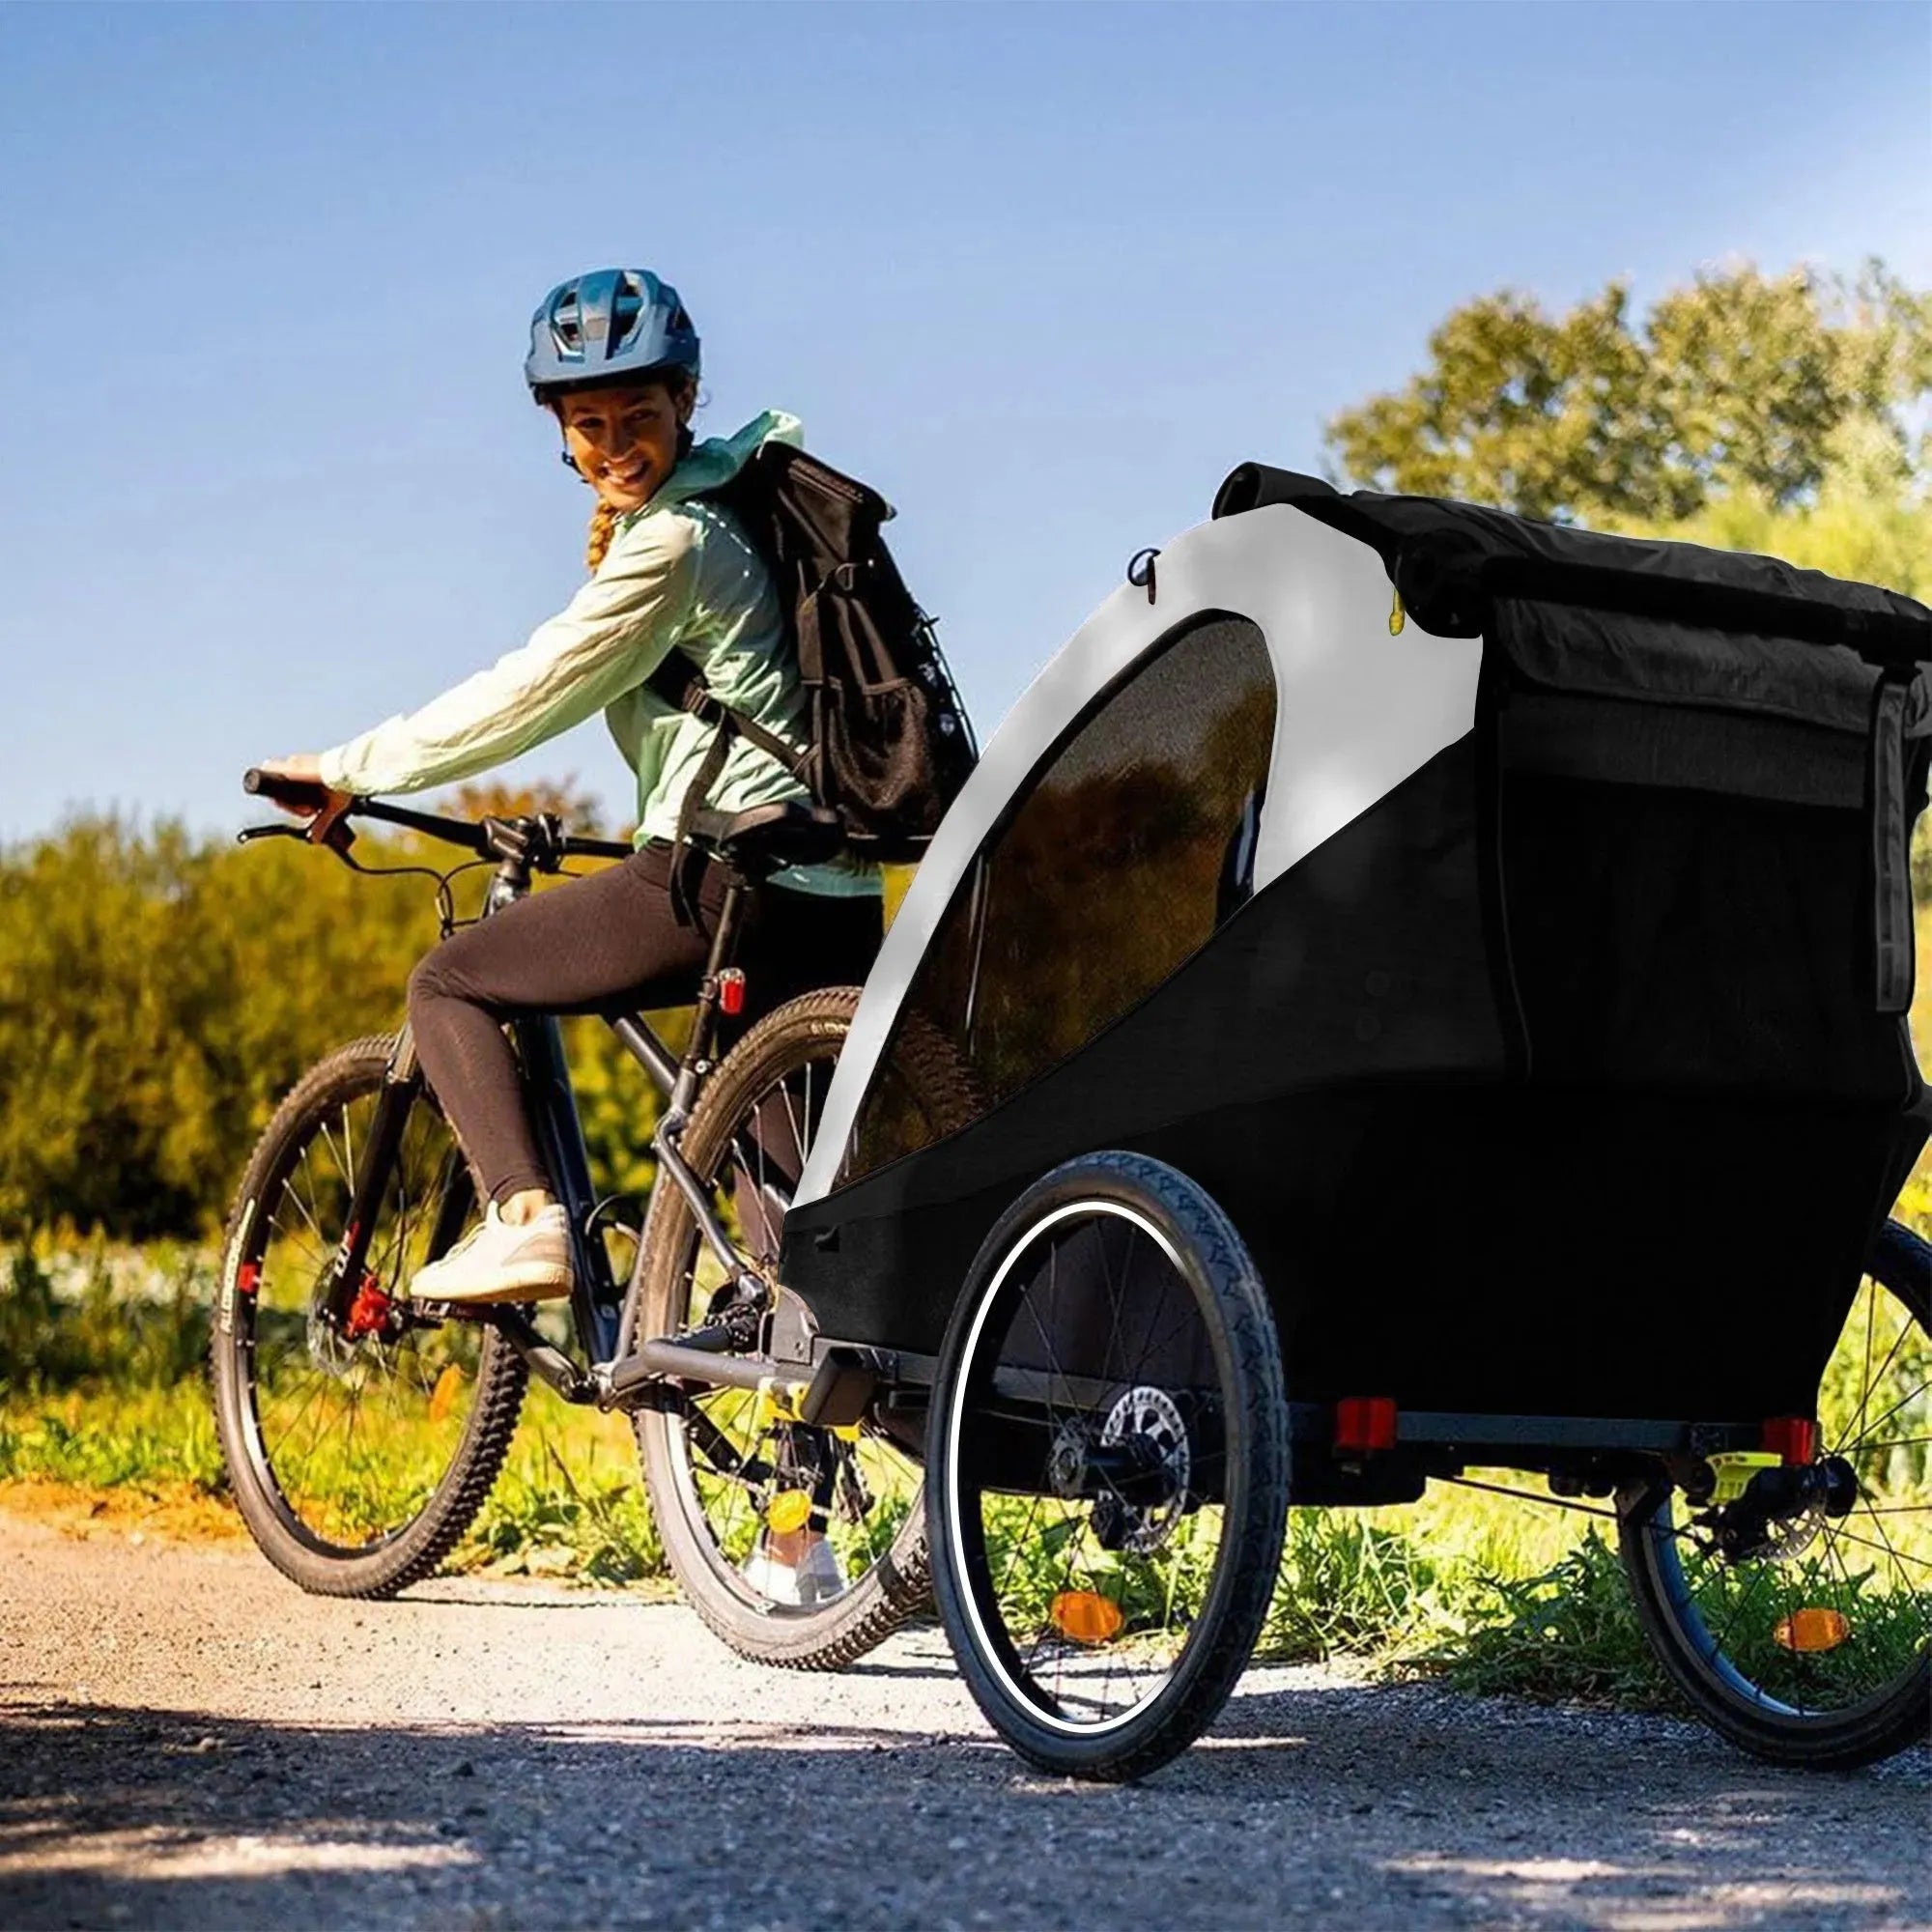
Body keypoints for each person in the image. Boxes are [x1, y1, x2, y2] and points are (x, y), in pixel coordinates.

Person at [256, 267, 884, 1312]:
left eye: (638, 414)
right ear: (557, 429)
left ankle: (522, 1219)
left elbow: (531, 689)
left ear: (686, 400)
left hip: (718, 874)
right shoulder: (747, 511)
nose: (615, 443)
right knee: (788, 1211)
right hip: (829, 886)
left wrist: (349, 768)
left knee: (448, 984)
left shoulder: (674, 543)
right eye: (587, 423)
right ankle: (825, 1389)